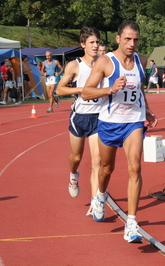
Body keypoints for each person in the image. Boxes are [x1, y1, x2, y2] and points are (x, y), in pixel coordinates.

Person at [81, 20, 158, 243]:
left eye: (135, 39)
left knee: (135, 166)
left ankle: (131, 222)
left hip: (133, 122)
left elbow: (140, 88)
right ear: (118, 39)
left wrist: (148, 109)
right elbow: (86, 93)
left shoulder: (141, 61)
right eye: (127, 39)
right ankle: (100, 196)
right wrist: (110, 89)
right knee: (106, 169)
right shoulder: (106, 62)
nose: (132, 43)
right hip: (109, 122)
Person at [56, 26, 102, 216]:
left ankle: (96, 202)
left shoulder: (104, 64)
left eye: (97, 42)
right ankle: (73, 175)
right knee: (76, 157)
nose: (95, 46)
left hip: (98, 117)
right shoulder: (75, 65)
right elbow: (59, 90)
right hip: (79, 118)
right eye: (91, 42)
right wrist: (81, 90)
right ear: (83, 45)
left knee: (97, 162)